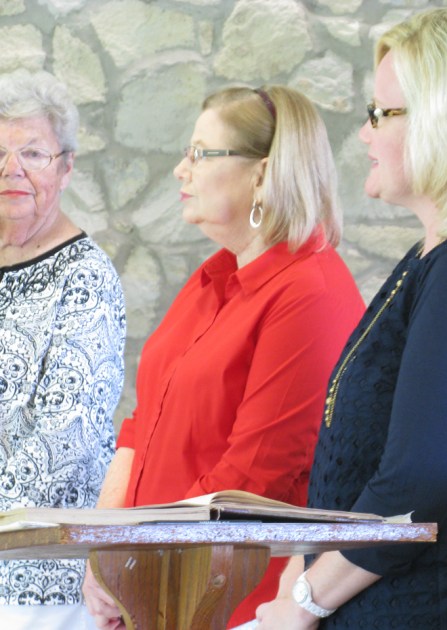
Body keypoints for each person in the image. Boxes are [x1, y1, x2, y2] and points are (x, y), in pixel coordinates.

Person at [255, 6, 447, 630]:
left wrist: (302, 603)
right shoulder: (441, 255)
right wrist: (300, 577)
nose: (365, 134)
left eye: (381, 114)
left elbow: (412, 492)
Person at [82, 85, 365, 629]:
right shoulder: (214, 276)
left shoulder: (309, 292)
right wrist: (105, 550)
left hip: (230, 600)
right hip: (159, 582)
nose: (180, 171)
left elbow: (249, 482)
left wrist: (136, 564)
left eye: (200, 153)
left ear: (261, 174)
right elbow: (141, 425)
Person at [0, 69, 126, 629]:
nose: (12, 170)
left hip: (39, 575)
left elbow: (63, 445)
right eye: (1, 152)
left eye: (33, 153)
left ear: (67, 167)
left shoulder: (86, 278)